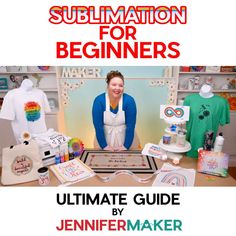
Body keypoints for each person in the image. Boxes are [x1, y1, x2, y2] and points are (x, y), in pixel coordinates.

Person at [92, 70, 138, 151]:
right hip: (103, 140)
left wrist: (126, 146)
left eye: (120, 85)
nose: (117, 88)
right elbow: (98, 126)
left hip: (127, 140)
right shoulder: (99, 101)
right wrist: (104, 146)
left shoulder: (129, 101)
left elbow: (131, 126)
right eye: (114, 85)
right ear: (108, 85)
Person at [183, 84, 230, 158]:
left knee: (204, 165)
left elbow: (223, 121)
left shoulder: (221, 102)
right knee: (189, 165)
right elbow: (183, 118)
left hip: (208, 143)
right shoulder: (189, 99)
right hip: (190, 142)